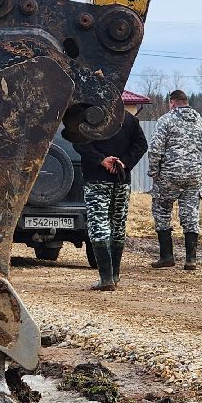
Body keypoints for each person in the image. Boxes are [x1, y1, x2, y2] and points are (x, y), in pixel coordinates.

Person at [146, 90, 202, 271]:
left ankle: (167, 256)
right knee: (191, 214)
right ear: (186, 102)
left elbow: (155, 149)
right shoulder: (200, 122)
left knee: (162, 211)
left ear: (172, 102)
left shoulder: (166, 120)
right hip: (193, 176)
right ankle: (190, 259)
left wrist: (154, 172)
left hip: (168, 175)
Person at [72, 109, 148, 291]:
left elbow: (78, 142)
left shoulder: (90, 115)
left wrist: (101, 160)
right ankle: (114, 275)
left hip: (96, 178)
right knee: (118, 225)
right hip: (121, 179)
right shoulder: (129, 118)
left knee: (99, 225)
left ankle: (106, 278)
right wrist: (124, 163)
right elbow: (141, 144)